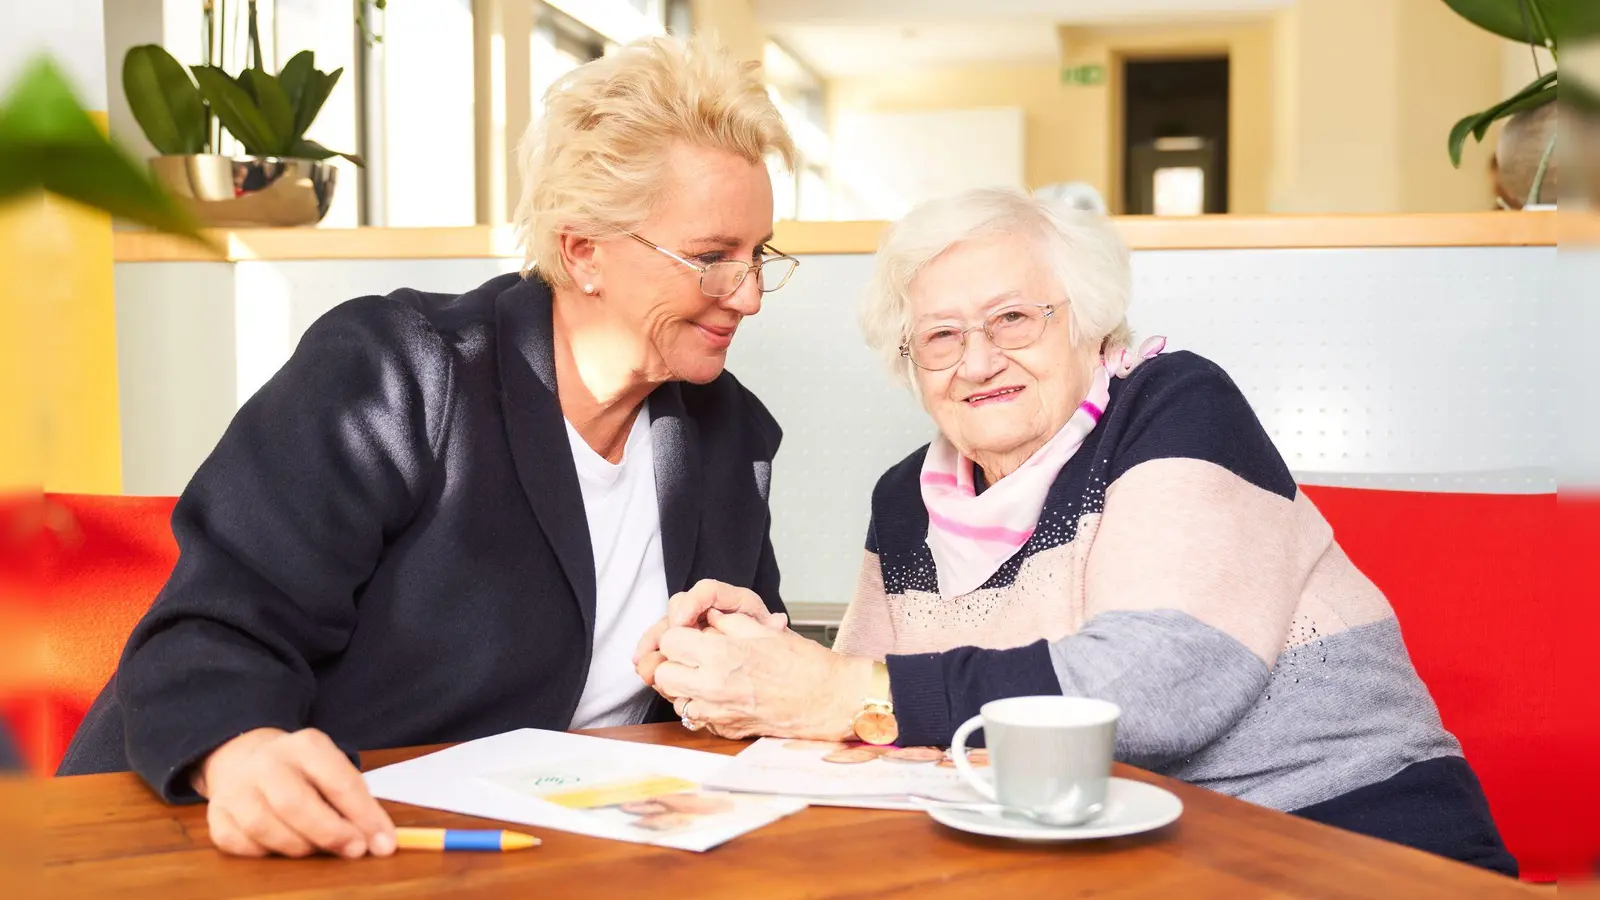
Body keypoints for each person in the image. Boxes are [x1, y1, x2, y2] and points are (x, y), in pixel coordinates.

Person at [59, 35, 798, 860]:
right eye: (711, 259)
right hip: (313, 844)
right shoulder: (395, 371)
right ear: (581, 249)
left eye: (758, 254)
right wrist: (242, 750)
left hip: (563, 854)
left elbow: (737, 691)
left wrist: (735, 671)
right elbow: (213, 627)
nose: (751, 296)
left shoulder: (729, 433)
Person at [636, 188, 1518, 876]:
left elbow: (1161, 684)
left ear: (1088, 320)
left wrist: (841, 694)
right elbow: (870, 718)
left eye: (1014, 319)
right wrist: (748, 666)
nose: (978, 361)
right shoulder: (905, 496)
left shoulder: (1173, 405)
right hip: (1103, 861)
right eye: (939, 337)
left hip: (1339, 834)